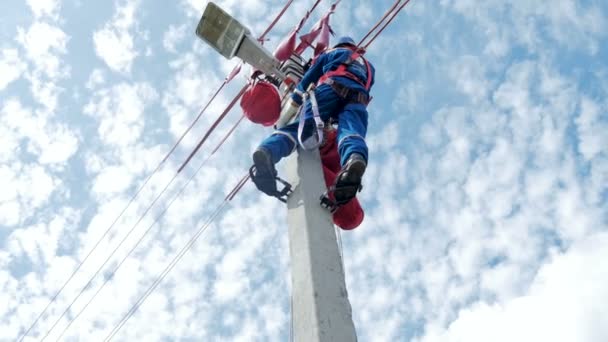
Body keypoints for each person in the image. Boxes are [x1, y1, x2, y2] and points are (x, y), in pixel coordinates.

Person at [251, 36, 376, 206]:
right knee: (351, 132)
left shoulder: (333, 52)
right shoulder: (369, 67)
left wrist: (296, 98)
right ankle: (354, 158)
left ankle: (268, 151)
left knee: (300, 129)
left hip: (330, 88)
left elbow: (313, 73)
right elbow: (367, 86)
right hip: (358, 99)